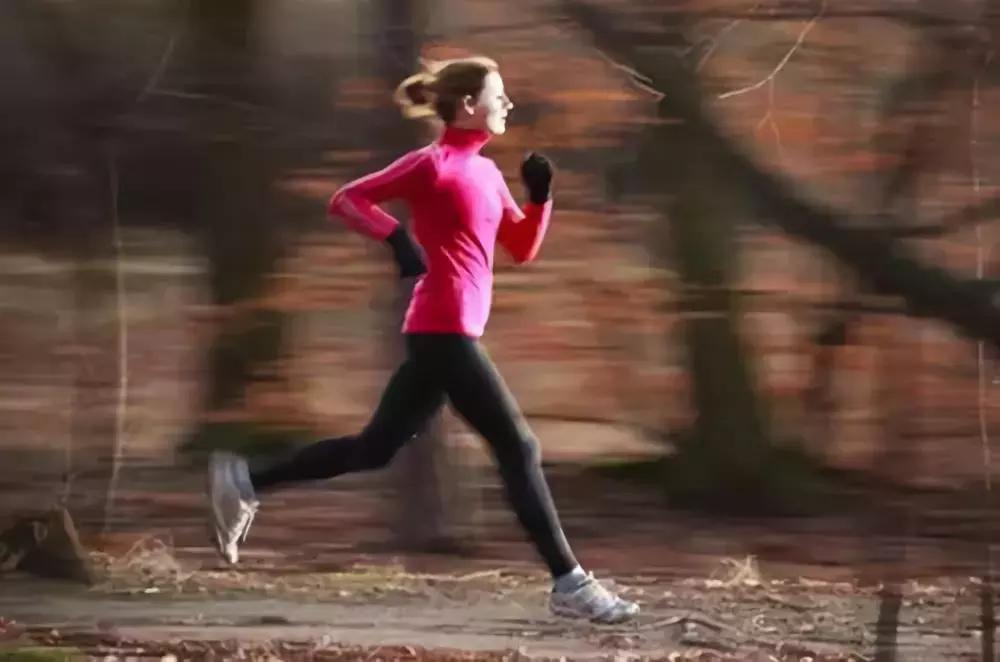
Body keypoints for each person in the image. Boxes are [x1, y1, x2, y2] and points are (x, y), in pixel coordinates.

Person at [208, 56, 640, 624]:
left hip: (444, 331)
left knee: (373, 450)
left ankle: (243, 479)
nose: (508, 104)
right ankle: (571, 585)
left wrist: (540, 199)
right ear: (468, 105)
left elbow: (521, 248)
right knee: (519, 447)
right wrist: (395, 239)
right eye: (499, 94)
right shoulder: (431, 164)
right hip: (443, 327)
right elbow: (348, 199)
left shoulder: (485, 171)